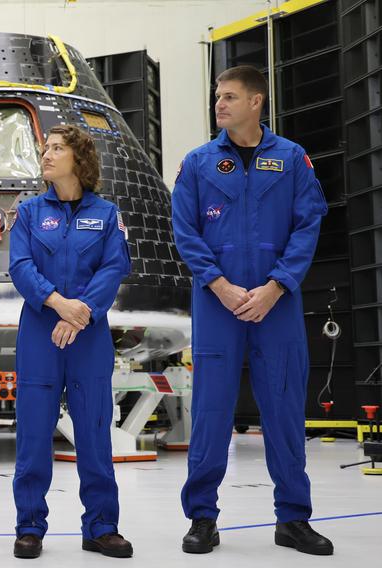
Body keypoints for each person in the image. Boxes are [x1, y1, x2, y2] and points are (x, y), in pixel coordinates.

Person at [172, 65, 333, 556]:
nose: (219, 105)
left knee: (284, 411)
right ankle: (202, 518)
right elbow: (185, 231)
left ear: (256, 101)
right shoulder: (198, 163)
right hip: (217, 304)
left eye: (229, 97)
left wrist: (276, 286)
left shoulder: (291, 159)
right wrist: (219, 285)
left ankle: (293, 519)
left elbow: (308, 225)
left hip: (276, 305)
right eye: (217, 97)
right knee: (210, 413)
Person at [8, 124, 132, 559]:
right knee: (34, 435)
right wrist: (60, 304)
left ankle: (101, 525)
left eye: (56, 148)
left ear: (79, 159)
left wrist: (82, 314)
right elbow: (21, 266)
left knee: (95, 433)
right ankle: (29, 526)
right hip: (41, 332)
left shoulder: (107, 214)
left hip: (89, 336)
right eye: (45, 148)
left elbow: (113, 268)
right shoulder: (27, 213)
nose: (46, 155)